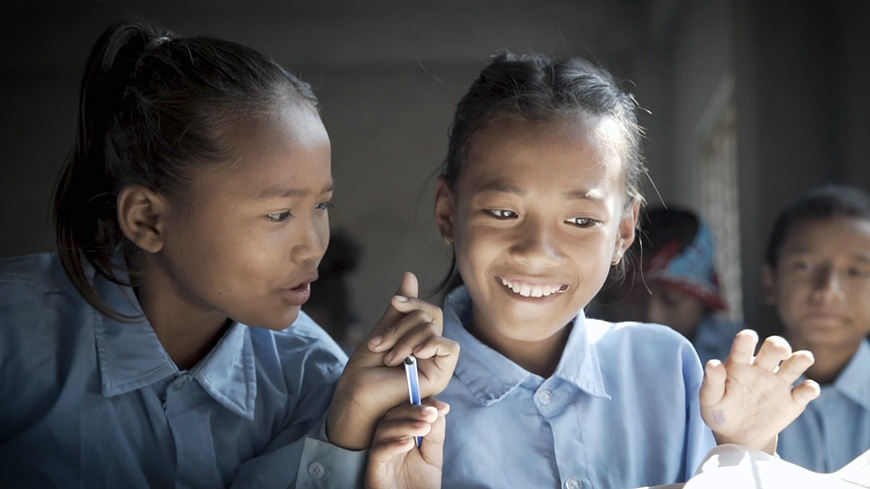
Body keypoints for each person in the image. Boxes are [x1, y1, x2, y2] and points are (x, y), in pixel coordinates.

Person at [0, 20, 459, 489]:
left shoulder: (319, 379)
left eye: (321, 205)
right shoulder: (14, 334)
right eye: (279, 214)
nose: (313, 245)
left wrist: (351, 423)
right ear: (146, 220)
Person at [430, 52, 820, 488]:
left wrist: (746, 448)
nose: (538, 252)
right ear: (448, 212)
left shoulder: (666, 367)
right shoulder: (403, 396)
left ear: (624, 231)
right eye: (502, 212)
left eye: (581, 221)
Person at [762, 184, 870, 472]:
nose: (827, 291)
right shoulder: (726, 394)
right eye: (806, 266)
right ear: (770, 280)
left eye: (857, 271)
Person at [590, 206, 745, 365]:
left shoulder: (738, 356)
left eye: (671, 300)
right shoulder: (589, 342)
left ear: (702, 302)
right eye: (638, 298)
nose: (652, 316)